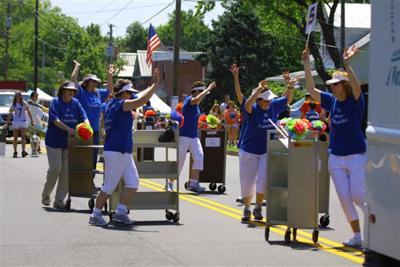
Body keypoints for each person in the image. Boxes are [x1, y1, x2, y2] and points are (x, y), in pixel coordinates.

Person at [303, 46, 366, 247]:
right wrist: (306, 63)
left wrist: (347, 65)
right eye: (332, 84)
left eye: (336, 84)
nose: (332, 87)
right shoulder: (332, 101)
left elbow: (356, 87)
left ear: (344, 85)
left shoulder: (355, 101)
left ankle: (378, 228)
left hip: (356, 155)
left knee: (358, 196)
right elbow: (311, 90)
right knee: (345, 199)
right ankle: (357, 236)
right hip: (336, 157)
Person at [89, 69, 161, 226]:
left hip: (122, 151)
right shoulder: (122, 104)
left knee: (133, 182)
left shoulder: (113, 102)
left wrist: (153, 84)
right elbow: (140, 101)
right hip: (116, 150)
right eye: (129, 92)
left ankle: (120, 212)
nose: (131, 95)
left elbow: (137, 95)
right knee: (109, 186)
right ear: (123, 93)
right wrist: (155, 86)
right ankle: (95, 215)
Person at [240, 78, 294, 222]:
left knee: (263, 180)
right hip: (249, 150)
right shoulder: (252, 109)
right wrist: (258, 90)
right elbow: (247, 104)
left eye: (270, 100)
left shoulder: (273, 106)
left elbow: (287, 99)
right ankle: (246, 208)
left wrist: (290, 86)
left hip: (265, 150)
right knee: (247, 181)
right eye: (266, 100)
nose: (269, 103)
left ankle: (258, 207)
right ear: (259, 101)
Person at [41, 81, 89, 209]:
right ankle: (46, 195)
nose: (71, 92)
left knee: (66, 171)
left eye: (73, 91)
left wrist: (87, 125)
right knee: (56, 168)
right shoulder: (55, 102)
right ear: (63, 90)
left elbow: (84, 116)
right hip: (54, 141)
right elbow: (55, 120)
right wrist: (69, 129)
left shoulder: (76, 103)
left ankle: (59, 200)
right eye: (69, 90)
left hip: (69, 142)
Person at [71, 60, 114, 169]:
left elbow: (110, 91)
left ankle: (91, 183)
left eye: (96, 81)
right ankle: (81, 184)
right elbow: (73, 79)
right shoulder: (81, 92)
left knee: (93, 157)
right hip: (83, 129)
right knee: (83, 156)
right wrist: (77, 66)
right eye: (92, 81)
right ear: (87, 82)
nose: (95, 83)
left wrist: (109, 75)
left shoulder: (98, 93)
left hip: (95, 130)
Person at [179, 81, 217, 193]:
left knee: (199, 157)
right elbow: (196, 99)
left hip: (193, 136)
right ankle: (170, 184)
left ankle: (193, 183)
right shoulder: (189, 100)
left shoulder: (196, 105)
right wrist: (208, 88)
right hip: (184, 136)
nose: (203, 94)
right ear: (195, 91)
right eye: (201, 92)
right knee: (180, 162)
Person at [6, 91, 34, 158]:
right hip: (16, 122)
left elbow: (28, 111)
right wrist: (7, 122)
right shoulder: (14, 104)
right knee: (15, 138)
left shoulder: (23, 103)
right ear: (15, 96)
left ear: (21, 96)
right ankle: (15, 151)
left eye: (19, 95)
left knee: (23, 137)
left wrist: (32, 120)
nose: (18, 96)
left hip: (23, 122)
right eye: (17, 95)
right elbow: (10, 113)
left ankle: (23, 151)